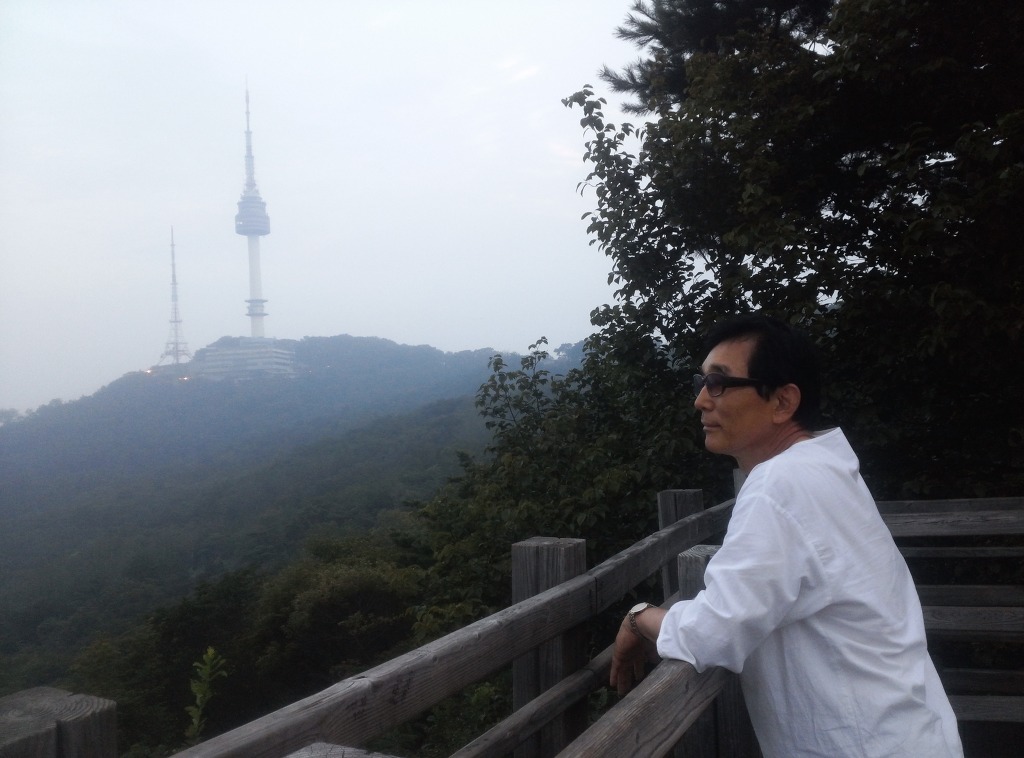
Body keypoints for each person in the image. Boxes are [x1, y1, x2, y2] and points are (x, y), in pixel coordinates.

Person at [609, 313, 963, 757]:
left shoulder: (780, 485)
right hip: (908, 732)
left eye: (718, 383)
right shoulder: (823, 468)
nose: (700, 401)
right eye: (701, 382)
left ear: (782, 402)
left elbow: (713, 633)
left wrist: (638, 617)